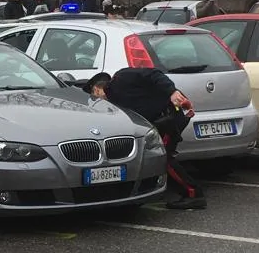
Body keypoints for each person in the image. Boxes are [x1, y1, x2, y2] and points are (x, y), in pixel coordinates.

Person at [86, 68, 206, 210]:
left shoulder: (122, 78)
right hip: (160, 120)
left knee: (163, 157)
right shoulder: (115, 99)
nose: (97, 100)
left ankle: (193, 194)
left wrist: (172, 92)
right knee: (158, 155)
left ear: (97, 89)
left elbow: (154, 74)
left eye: (94, 95)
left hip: (169, 116)